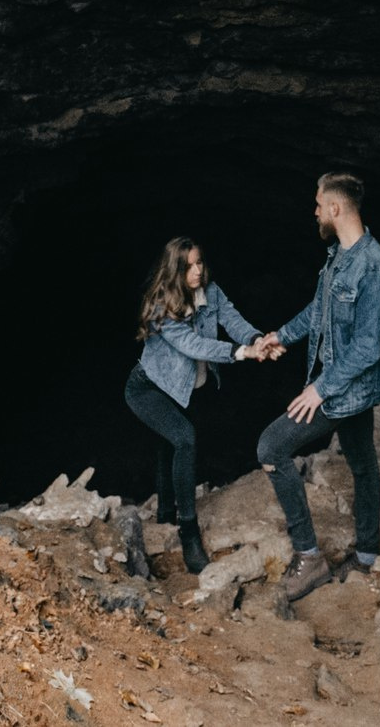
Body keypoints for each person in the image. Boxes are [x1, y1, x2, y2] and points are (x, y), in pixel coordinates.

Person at [252, 172, 380, 604]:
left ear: (336, 208)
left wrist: (320, 388)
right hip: (347, 387)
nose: (315, 211)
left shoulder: (372, 267)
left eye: (319, 204)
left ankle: (310, 557)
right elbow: (318, 311)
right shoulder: (340, 255)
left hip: (347, 389)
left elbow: (369, 347)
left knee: (271, 447)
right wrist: (281, 334)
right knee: (362, 463)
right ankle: (368, 554)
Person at [125, 236, 272, 574]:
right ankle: (188, 531)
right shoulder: (162, 305)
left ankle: (164, 516)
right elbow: (193, 345)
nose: (197, 271)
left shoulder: (212, 292)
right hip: (147, 389)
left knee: (169, 446)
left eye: (200, 263)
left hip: (179, 389)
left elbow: (232, 320)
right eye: (189, 266)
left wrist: (255, 339)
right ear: (175, 269)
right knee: (184, 438)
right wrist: (239, 353)